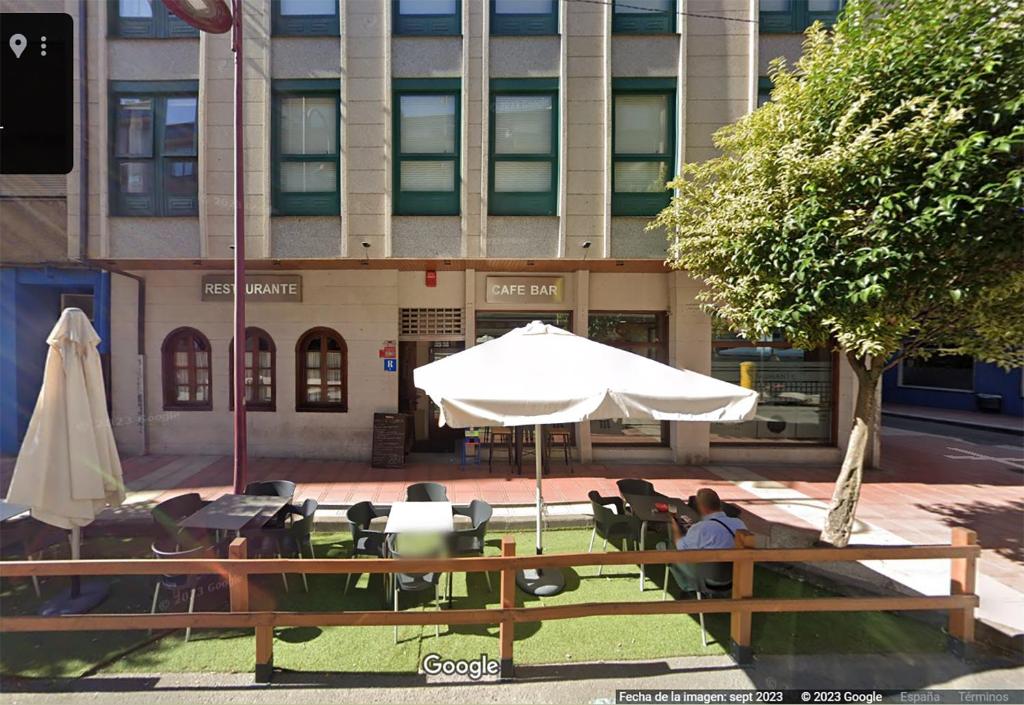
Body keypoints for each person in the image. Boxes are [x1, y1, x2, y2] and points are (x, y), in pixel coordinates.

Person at [661, 488, 746, 593]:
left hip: (706, 580)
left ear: (702, 507)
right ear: (719, 504)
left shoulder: (701, 528)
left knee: (664, 547)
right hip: (733, 578)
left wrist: (675, 526)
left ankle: (688, 587)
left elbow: (680, 547)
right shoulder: (739, 523)